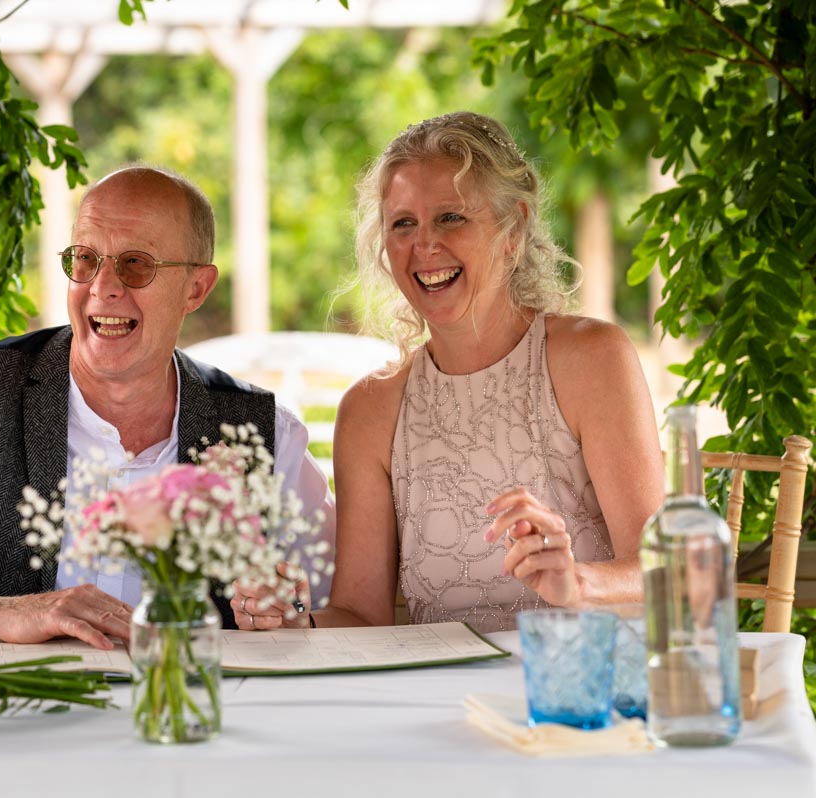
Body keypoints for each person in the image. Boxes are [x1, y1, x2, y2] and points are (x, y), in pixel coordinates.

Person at [0, 166, 335, 649]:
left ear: (196, 288)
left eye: (136, 265)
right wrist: (3, 615)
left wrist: (290, 614)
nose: (103, 287)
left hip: (190, 740)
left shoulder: (264, 434)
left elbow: (332, 614)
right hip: (3, 739)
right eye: (85, 259)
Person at [238, 112, 663, 634]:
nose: (424, 246)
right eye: (403, 224)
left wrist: (577, 582)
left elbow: (662, 567)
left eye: (451, 218)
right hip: (439, 703)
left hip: (588, 689)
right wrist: (294, 622)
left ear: (515, 228)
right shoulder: (370, 411)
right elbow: (360, 614)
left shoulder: (591, 359)